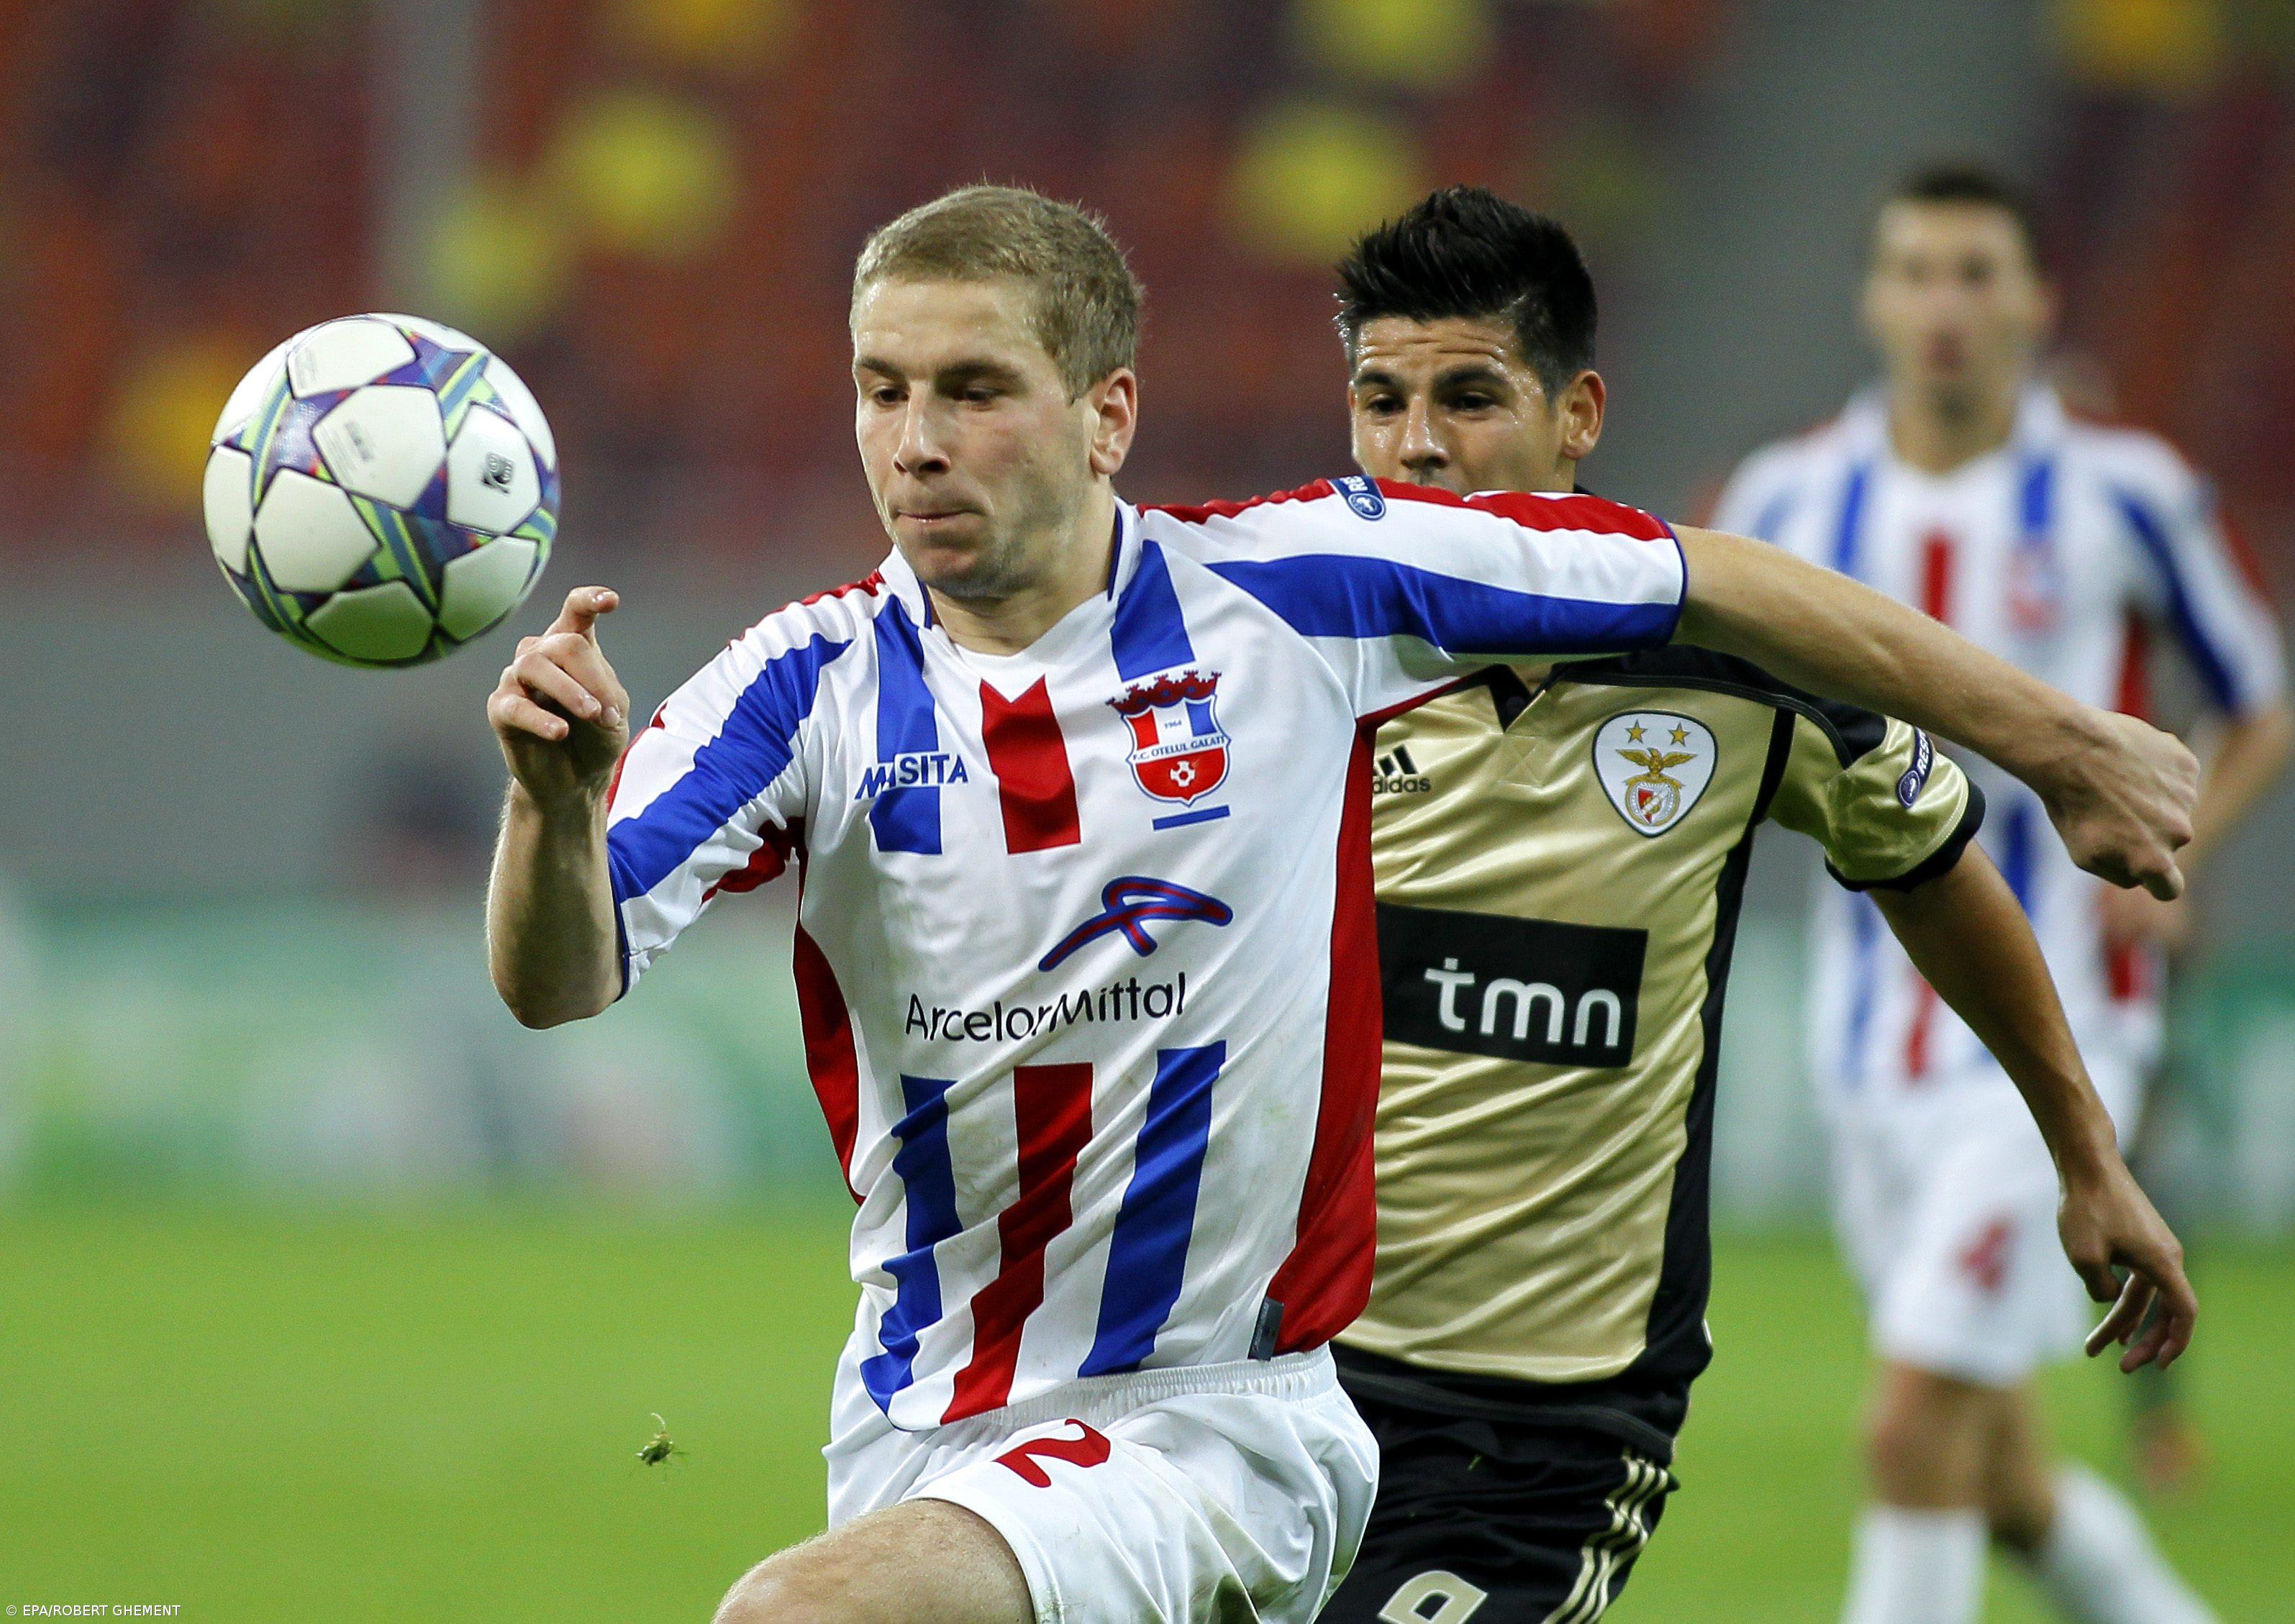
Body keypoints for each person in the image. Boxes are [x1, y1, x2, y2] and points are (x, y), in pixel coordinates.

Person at [485, 186, 2196, 1624]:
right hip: (930, 1419)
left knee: (792, 1617)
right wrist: (551, 812)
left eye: (972, 389)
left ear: (1105, 412)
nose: (914, 444)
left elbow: (1717, 591)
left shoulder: (1309, 602)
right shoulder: (802, 685)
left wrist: (2059, 751)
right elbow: (561, 981)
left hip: (1289, 1421)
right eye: (878, 390)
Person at [1301, 187, 2194, 1624]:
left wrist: (2082, 1155)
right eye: (1378, 400)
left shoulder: (1723, 670)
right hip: (1279, 1384)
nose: (1416, 447)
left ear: (1575, 413)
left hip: (1545, 1428)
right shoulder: (1286, 649)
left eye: (1468, 398)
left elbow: (1931, 864)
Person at [1712, 163, 2289, 1624]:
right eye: (1914, 272)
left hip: (2059, 1033)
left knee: (1907, 1432)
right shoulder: (1787, 495)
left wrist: (2177, 866)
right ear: (1870, 299)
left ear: (2032, 299)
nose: (1944, 306)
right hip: (1866, 1049)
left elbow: (2257, 701)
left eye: (1976, 273)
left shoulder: (2124, 493)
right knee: (1999, 1481)